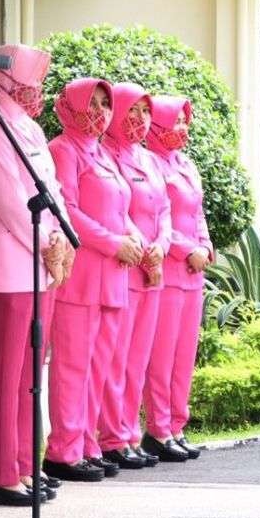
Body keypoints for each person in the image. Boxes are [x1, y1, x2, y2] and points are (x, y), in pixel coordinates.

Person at [0, 44, 72, 506]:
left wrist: (62, 238)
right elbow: (10, 199)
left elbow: (54, 189)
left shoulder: (26, 127)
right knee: (5, 371)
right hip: (7, 267)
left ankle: (26, 463)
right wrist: (47, 244)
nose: (34, 90)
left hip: (40, 266)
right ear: (2, 80)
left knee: (31, 372)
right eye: (26, 80)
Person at [46, 79, 144, 482]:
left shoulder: (101, 153)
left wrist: (133, 236)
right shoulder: (63, 150)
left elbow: (121, 209)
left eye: (106, 104)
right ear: (70, 106)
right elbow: (67, 210)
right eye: (93, 103)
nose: (102, 111)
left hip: (112, 279)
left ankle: (86, 443)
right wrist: (113, 243)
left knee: (98, 366)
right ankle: (63, 451)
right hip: (82, 275)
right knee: (72, 367)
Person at [99, 83, 184, 466]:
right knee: (115, 359)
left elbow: (164, 209)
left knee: (138, 359)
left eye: (144, 112)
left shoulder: (147, 158)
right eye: (131, 111)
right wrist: (139, 242)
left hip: (153, 269)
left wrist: (162, 245)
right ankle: (112, 435)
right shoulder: (106, 154)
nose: (138, 120)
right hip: (125, 267)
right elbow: (116, 210)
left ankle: (130, 432)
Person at [143, 95, 211, 459]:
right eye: (175, 121)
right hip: (169, 270)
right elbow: (158, 218)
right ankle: (158, 428)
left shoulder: (185, 163)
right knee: (162, 355)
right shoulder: (150, 162)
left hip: (193, 273)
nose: (181, 128)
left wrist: (206, 243)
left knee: (184, 355)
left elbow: (197, 212)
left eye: (185, 120)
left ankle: (177, 426)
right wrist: (188, 250)